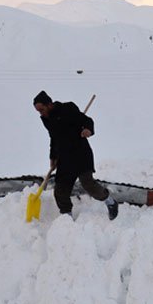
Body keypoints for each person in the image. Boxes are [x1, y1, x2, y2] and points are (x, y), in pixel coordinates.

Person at [33, 90, 118, 220]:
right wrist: (53, 156)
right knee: (60, 190)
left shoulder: (68, 108)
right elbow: (53, 138)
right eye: (38, 111)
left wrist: (87, 129)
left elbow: (87, 120)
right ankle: (66, 216)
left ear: (49, 104)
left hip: (80, 154)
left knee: (88, 183)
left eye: (41, 109)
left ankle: (110, 201)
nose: (40, 113)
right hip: (64, 158)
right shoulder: (46, 119)